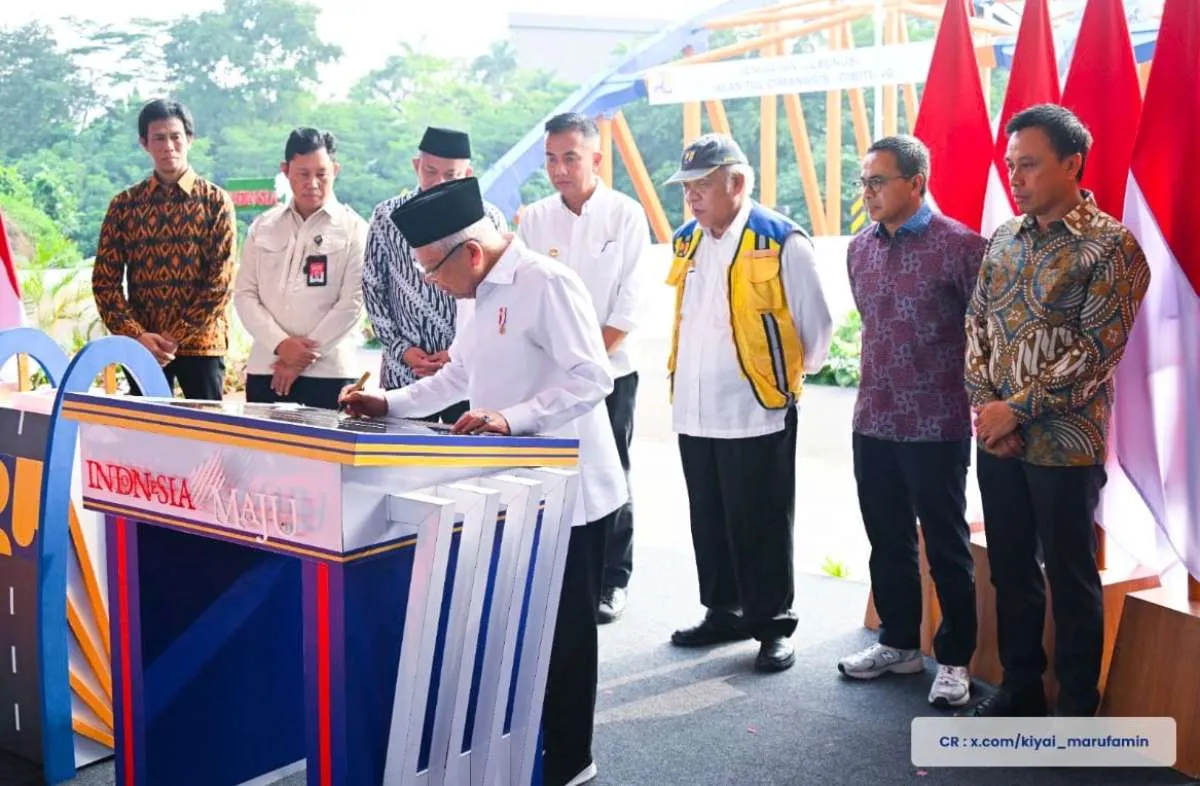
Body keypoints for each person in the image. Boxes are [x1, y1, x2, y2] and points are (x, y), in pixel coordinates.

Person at [340, 177, 624, 786]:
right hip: (516, 487)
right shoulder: (474, 294)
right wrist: (386, 403)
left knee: (565, 635)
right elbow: (457, 376)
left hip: (576, 490)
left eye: (432, 270)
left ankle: (572, 763)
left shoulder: (545, 283)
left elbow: (591, 378)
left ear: (470, 251)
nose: (430, 284)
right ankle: (522, 748)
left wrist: (510, 419)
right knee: (522, 628)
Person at [961, 104, 1150, 717]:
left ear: (1072, 164)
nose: (1016, 177)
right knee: (1010, 571)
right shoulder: (1004, 237)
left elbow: (1097, 352)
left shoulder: (1112, 246)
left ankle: (1075, 702)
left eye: (1030, 165)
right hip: (997, 440)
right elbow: (977, 327)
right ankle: (1020, 687)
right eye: (1011, 165)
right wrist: (988, 408)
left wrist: (1015, 411)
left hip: (1066, 446)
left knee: (1070, 578)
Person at [663, 134, 833, 672]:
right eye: (687, 187)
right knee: (708, 516)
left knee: (761, 520)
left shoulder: (781, 239)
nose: (692, 197)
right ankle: (723, 611)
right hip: (695, 406)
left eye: (702, 185)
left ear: (736, 183)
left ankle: (772, 624)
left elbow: (818, 327)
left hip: (755, 407)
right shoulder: (688, 240)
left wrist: (782, 382)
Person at [836, 135, 986, 708]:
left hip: (937, 424)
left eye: (878, 181)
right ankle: (898, 643)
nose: (868, 193)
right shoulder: (859, 249)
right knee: (886, 539)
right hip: (873, 417)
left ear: (916, 182)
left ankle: (954, 661)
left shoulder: (962, 248)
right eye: (864, 182)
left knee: (946, 546)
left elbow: (985, 336)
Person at [517, 112, 649, 624]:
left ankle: (612, 580)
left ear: (596, 158)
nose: (559, 169)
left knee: (611, 471)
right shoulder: (534, 220)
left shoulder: (625, 215)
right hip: (549, 377)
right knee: (556, 471)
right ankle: (556, 573)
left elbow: (629, 304)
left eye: (570, 157)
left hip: (611, 372)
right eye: (551, 159)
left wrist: (586, 361)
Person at [361, 126, 508, 423]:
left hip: (467, 371)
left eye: (451, 176)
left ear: (467, 174)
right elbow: (372, 288)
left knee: (464, 462)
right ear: (417, 166)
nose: (439, 183)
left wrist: (458, 352)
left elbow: (495, 295)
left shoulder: (487, 218)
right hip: (405, 369)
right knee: (400, 460)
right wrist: (402, 349)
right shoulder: (386, 216)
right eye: (430, 171)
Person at [92, 98, 236, 399]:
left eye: (176, 137)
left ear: (190, 140)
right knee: (146, 439)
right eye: (159, 138)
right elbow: (105, 283)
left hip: (202, 345)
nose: (168, 146)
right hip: (143, 345)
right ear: (144, 143)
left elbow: (220, 284)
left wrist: (175, 336)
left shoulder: (215, 202)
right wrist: (137, 335)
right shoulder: (124, 205)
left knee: (209, 437)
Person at [232, 128, 367, 410]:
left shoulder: (355, 229)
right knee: (264, 452)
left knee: (326, 454)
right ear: (285, 171)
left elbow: (353, 303)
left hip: (331, 374)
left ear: (336, 170)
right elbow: (245, 295)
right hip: (266, 369)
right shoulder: (263, 226)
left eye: (321, 173)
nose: (313, 183)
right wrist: (282, 346)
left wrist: (298, 360)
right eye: (302, 174)